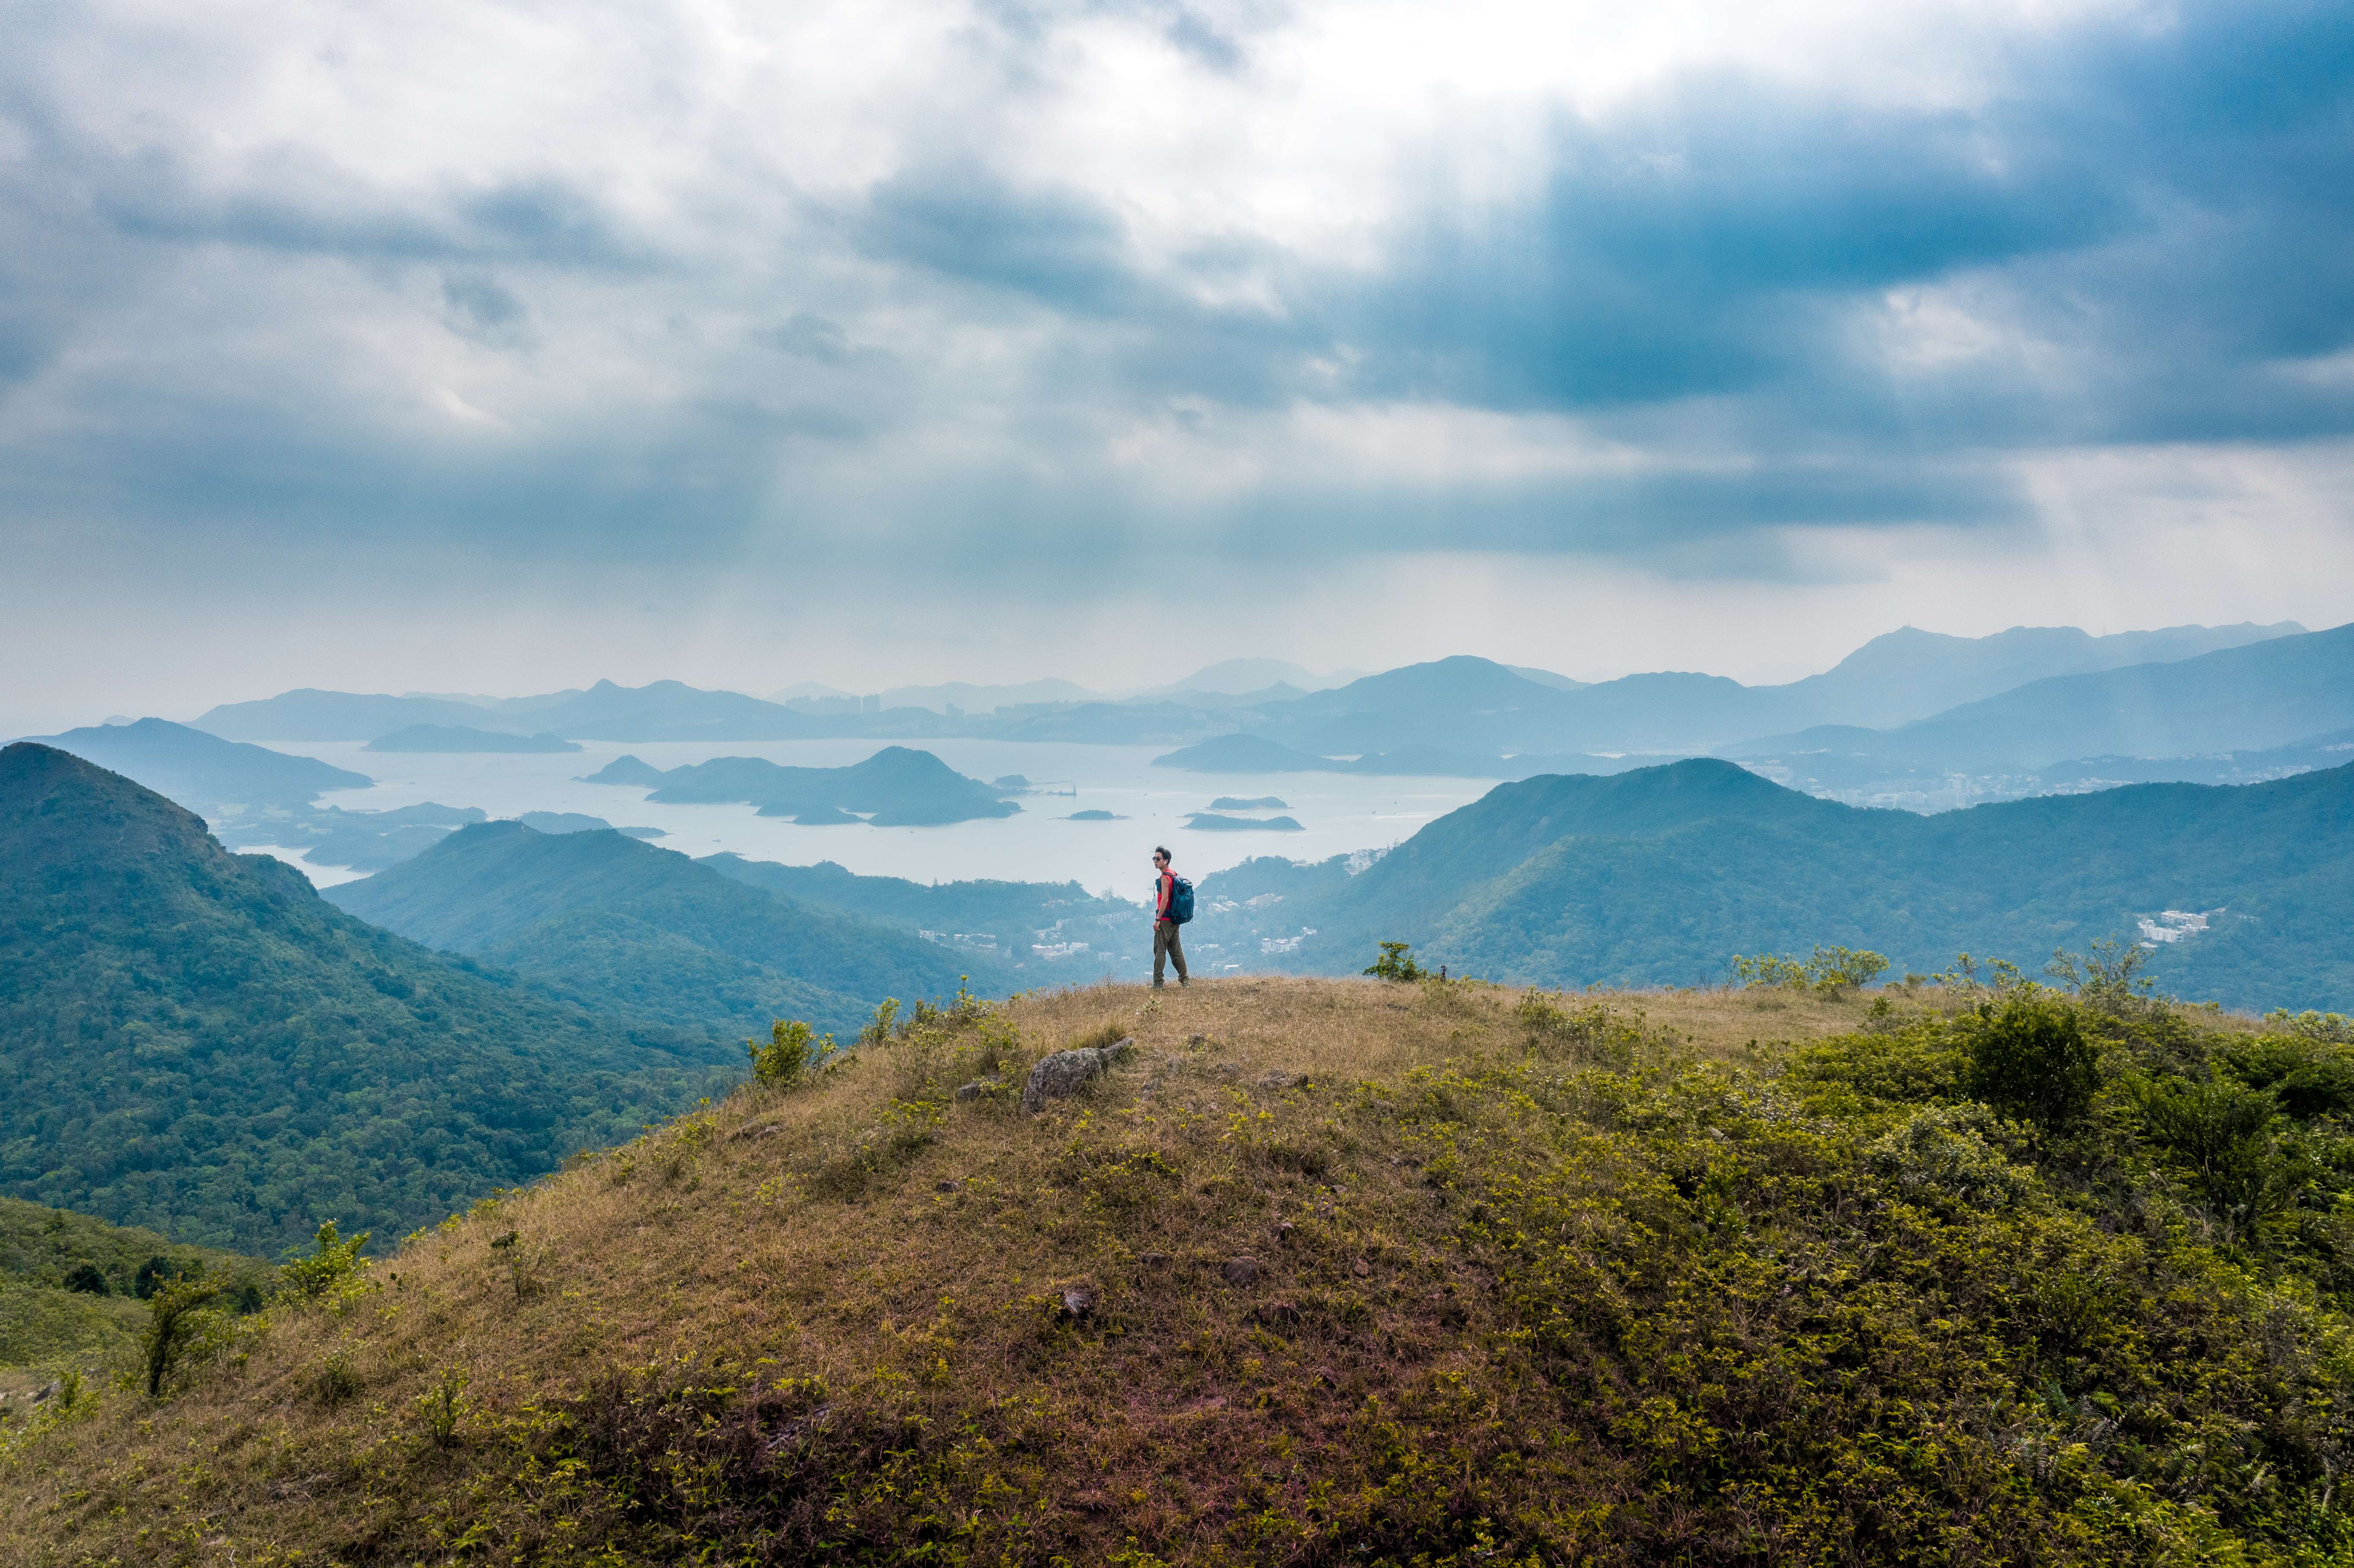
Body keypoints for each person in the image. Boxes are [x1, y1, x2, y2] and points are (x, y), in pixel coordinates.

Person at [1150, 845, 1189, 988]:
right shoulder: (1174, 874)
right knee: (1176, 950)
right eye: (1154, 859)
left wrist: (1158, 920)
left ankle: (1158, 982)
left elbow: (1165, 900)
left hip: (1165, 919)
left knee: (1160, 950)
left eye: (1158, 859)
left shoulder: (1165, 878)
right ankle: (1185, 980)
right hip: (1174, 919)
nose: (1155, 861)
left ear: (1165, 861)